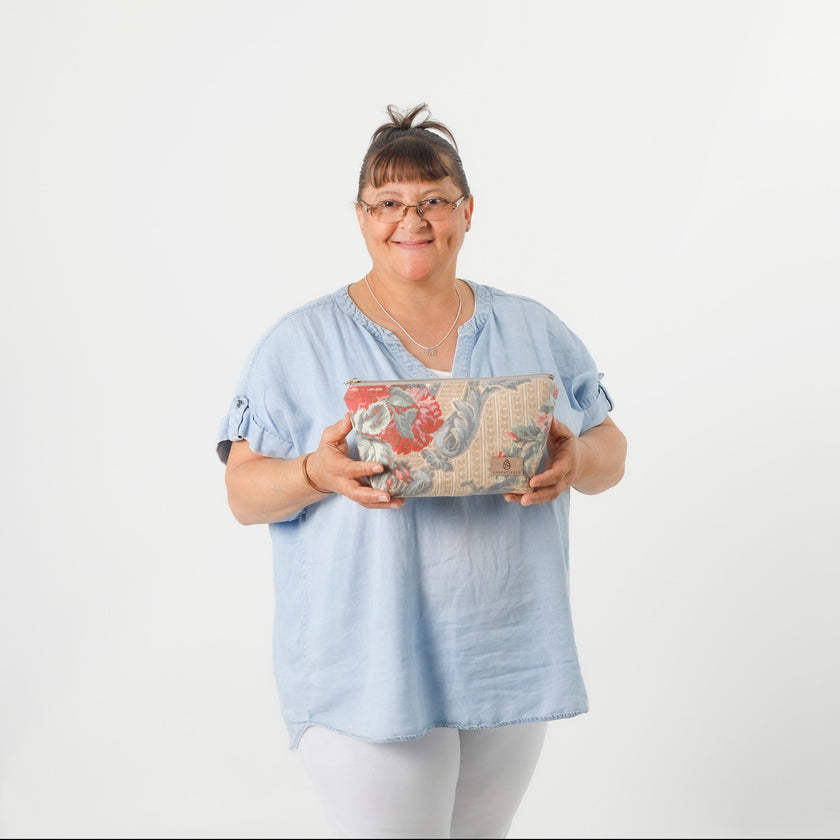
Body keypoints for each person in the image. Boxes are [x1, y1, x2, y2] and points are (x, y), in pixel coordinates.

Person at [216, 103, 627, 839]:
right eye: (389, 203)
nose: (413, 219)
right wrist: (314, 471)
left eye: (434, 200)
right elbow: (243, 496)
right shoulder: (300, 342)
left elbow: (610, 456)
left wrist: (578, 460)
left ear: (467, 211)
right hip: (367, 661)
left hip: (503, 652)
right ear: (361, 215)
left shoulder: (532, 328)